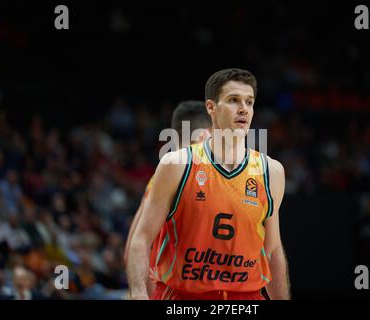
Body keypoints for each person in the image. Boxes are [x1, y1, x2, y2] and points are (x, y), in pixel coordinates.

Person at [127, 68, 290, 300]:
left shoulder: (271, 171)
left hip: (246, 298)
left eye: (249, 102)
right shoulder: (177, 164)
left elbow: (273, 250)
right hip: (184, 297)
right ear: (211, 107)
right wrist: (139, 293)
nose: (244, 108)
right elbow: (141, 239)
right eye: (233, 100)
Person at [124, 100, 211, 296]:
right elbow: (134, 246)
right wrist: (143, 294)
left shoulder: (170, 176)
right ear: (203, 136)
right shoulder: (172, 176)